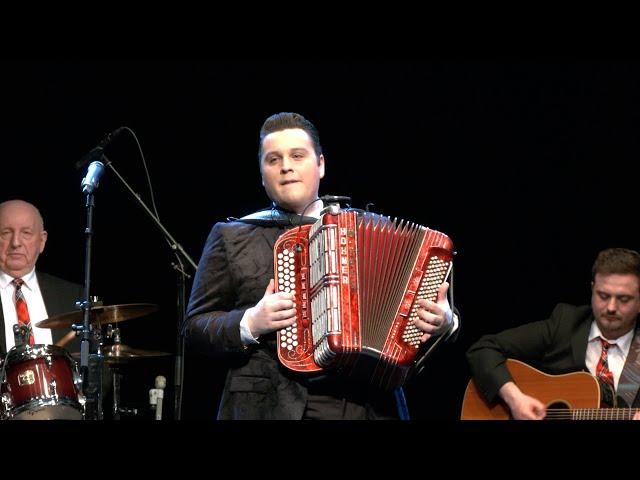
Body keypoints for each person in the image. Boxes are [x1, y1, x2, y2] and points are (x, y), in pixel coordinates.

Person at [183, 112, 459, 420]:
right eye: (273, 160)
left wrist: (445, 322)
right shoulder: (232, 236)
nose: (286, 166)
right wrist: (251, 322)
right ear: (262, 174)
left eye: (297, 156)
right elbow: (194, 329)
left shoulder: (369, 226)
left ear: (321, 165)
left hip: (370, 404)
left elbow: (432, 311)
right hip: (271, 406)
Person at [466, 247, 640, 420]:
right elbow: (483, 349)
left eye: (623, 299)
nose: (611, 307)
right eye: (603, 295)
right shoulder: (565, 324)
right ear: (592, 289)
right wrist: (515, 399)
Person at [0, 199, 82, 354]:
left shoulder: (73, 296)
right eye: (6, 233)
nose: (15, 242)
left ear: (42, 241)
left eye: (26, 233)